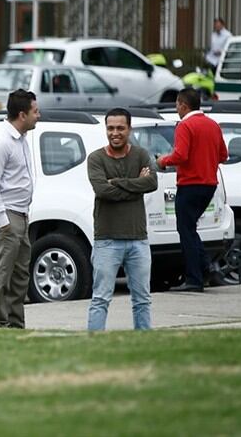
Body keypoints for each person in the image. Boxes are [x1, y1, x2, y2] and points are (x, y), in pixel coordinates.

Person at [86, 108, 158, 331]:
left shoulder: (142, 155)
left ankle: (144, 343)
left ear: (129, 129)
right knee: (100, 299)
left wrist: (116, 182)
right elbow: (102, 191)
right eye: (110, 128)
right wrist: (136, 185)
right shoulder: (96, 158)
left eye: (120, 128)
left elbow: (152, 183)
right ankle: (94, 344)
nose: (115, 132)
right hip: (107, 240)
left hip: (138, 239)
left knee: (142, 300)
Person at [0, 89, 41, 329]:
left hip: (20, 215)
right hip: (6, 216)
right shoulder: (1, 141)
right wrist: (3, 221)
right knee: (2, 274)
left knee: (20, 275)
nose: (39, 115)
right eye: (36, 111)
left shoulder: (21, 138)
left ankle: (16, 325)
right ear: (22, 114)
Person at [156, 89, 228, 292]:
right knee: (190, 229)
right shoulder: (212, 125)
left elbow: (180, 155)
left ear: (183, 105)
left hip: (189, 184)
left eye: (177, 105)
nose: (176, 109)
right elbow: (224, 155)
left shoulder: (185, 125)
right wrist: (206, 159)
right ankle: (207, 268)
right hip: (209, 184)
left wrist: (163, 160)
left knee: (185, 231)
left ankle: (194, 279)